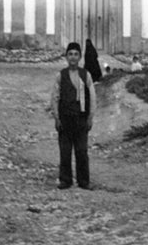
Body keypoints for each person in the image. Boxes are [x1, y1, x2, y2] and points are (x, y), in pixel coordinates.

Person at [49, 41, 94, 190]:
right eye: (70, 54)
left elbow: (92, 97)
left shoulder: (85, 75)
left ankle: (84, 181)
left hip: (81, 119)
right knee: (65, 151)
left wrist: (90, 117)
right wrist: (57, 117)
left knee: (81, 151)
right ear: (66, 57)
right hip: (65, 119)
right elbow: (55, 97)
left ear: (80, 57)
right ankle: (65, 180)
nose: (73, 57)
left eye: (76, 54)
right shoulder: (60, 76)